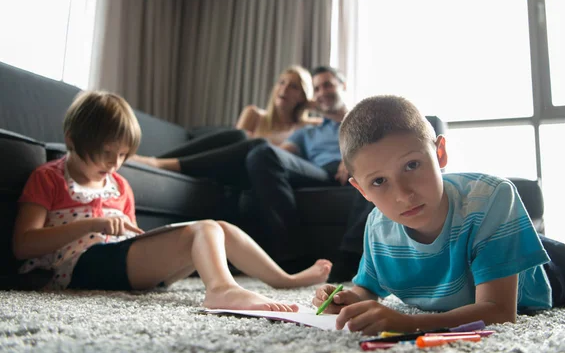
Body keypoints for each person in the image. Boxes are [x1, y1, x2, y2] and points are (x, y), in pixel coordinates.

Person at [12, 90, 332, 311]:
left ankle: (284, 279)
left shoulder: (119, 185)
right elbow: (23, 245)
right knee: (202, 230)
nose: (115, 163)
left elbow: (131, 238)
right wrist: (92, 224)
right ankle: (221, 290)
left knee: (219, 229)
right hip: (73, 268)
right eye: (107, 153)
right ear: (72, 139)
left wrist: (147, 238)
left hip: (118, 262)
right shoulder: (50, 177)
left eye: (123, 155)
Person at [312, 95, 565, 335]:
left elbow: (500, 311)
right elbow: (366, 288)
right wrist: (346, 299)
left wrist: (411, 323)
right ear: (361, 189)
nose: (403, 194)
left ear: (440, 154)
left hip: (549, 271)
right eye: (378, 182)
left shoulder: (491, 196)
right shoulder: (377, 225)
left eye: (412, 165)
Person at [129, 65, 320, 184]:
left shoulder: (307, 128)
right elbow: (233, 148)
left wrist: (314, 104)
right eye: (281, 82)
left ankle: (156, 163)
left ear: (303, 95)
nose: (284, 89)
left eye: (293, 86)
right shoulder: (254, 114)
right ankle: (156, 161)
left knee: (257, 145)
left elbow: (336, 119)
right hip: (227, 165)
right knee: (239, 136)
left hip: (257, 174)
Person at [244, 66, 353, 264]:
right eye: (317, 89)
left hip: (357, 169)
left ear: (343, 85)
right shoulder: (308, 131)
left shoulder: (362, 118)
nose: (322, 92)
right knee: (262, 154)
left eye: (327, 85)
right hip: (320, 172)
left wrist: (352, 156)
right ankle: (291, 256)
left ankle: (350, 257)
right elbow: (278, 154)